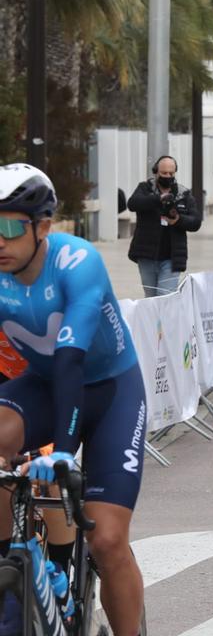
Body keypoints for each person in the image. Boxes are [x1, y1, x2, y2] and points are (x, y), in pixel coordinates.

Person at [0, 164, 147, 635]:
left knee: (105, 540)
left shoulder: (77, 262)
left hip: (110, 392)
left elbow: (71, 364)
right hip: (43, 386)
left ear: (43, 227)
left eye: (9, 226)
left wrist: (63, 451)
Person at [126, 155, 202, 297]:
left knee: (164, 297)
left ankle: (165, 320)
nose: (168, 176)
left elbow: (196, 221)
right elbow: (132, 204)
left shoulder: (183, 194)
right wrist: (158, 199)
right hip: (146, 255)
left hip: (172, 257)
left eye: (171, 173)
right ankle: (153, 320)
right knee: (150, 297)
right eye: (164, 173)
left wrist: (178, 220)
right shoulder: (145, 188)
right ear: (156, 172)